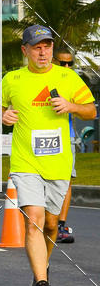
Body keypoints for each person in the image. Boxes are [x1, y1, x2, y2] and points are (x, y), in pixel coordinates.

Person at [1, 25, 96, 286]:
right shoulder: (12, 79)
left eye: (47, 46)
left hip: (59, 162)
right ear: (25, 50)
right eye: (37, 47)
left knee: (52, 225)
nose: (43, 52)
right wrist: (0, 113)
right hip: (25, 161)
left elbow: (91, 109)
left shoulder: (67, 77)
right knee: (34, 219)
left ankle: (43, 266)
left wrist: (71, 106)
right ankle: (41, 283)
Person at [53, 48, 78, 244]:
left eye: (71, 63)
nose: (67, 67)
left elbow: (87, 109)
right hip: (42, 137)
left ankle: (60, 225)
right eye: (63, 63)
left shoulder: (73, 82)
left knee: (67, 181)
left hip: (66, 137)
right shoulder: (44, 79)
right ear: (54, 62)